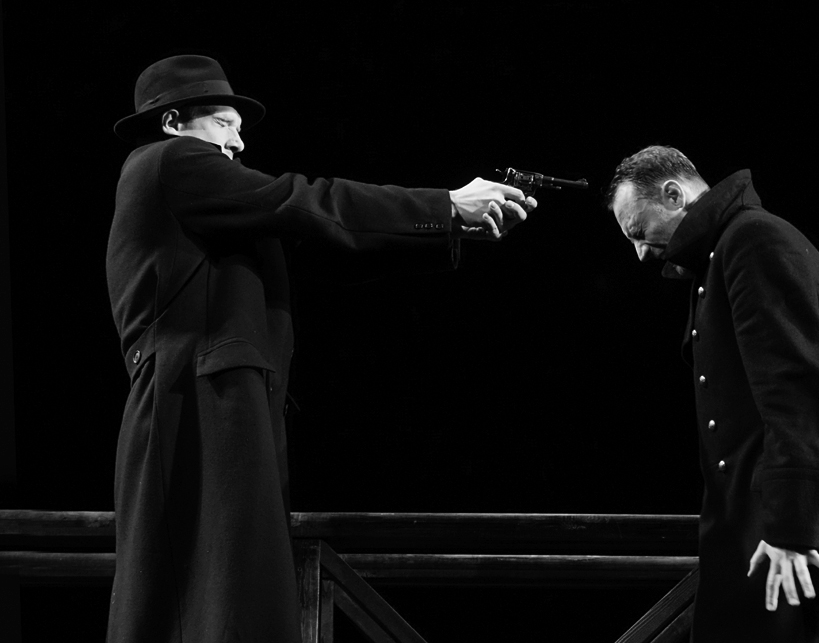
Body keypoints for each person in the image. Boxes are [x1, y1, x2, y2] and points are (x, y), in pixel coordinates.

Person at [105, 54, 535, 642]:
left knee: (223, 589)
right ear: (173, 122)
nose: (237, 143)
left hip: (212, 401)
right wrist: (444, 203)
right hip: (194, 403)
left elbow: (325, 243)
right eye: (223, 123)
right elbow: (301, 199)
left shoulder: (211, 207)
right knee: (213, 591)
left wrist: (452, 225)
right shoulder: (168, 161)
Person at [607, 146, 819, 642]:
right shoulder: (729, 249)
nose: (641, 253)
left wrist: (792, 529)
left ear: (673, 193)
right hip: (789, 506)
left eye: (638, 231)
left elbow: (797, 389)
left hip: (813, 511)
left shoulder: (751, 241)